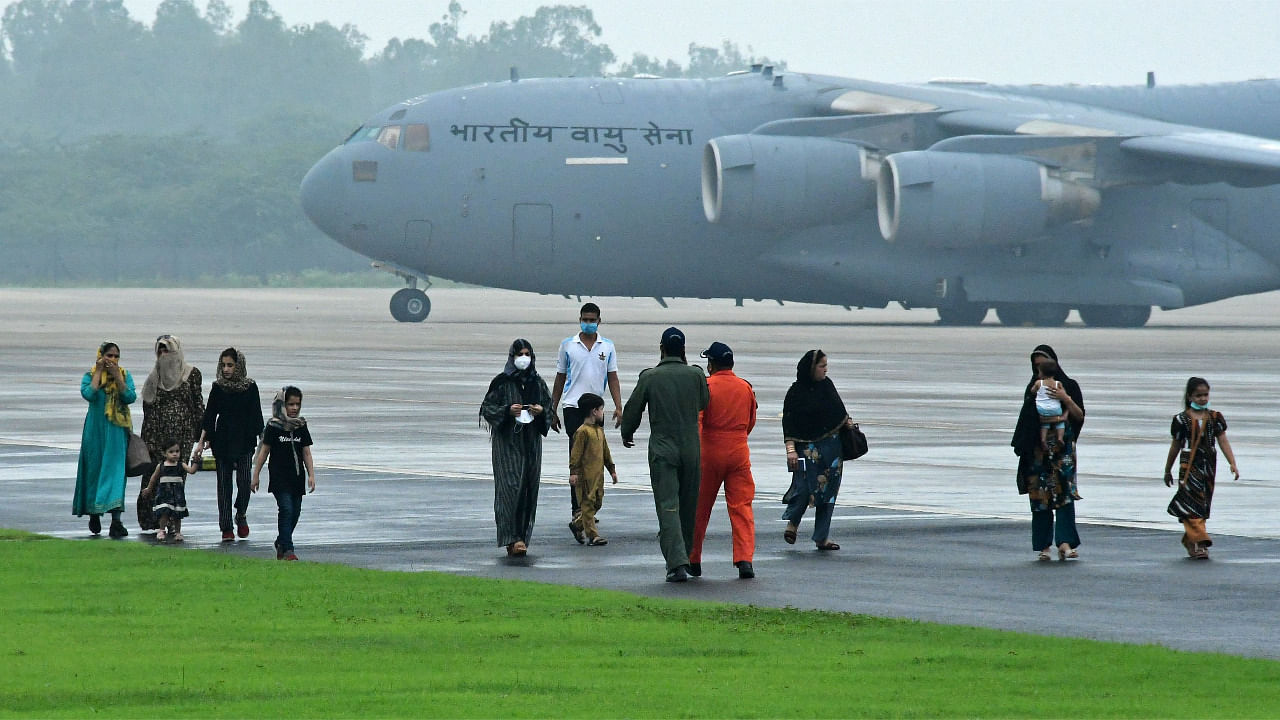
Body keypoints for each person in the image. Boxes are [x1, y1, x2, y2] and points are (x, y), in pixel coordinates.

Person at [621, 327, 709, 582]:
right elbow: (704, 402)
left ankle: (676, 562)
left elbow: (633, 409)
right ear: (683, 350)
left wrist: (628, 432)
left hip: (663, 448)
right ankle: (688, 556)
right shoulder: (696, 375)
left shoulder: (650, 377)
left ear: (661, 348)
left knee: (668, 506)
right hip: (692, 449)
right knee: (689, 505)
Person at [549, 303, 623, 542]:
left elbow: (612, 377)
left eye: (592, 319)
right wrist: (553, 408)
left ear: (600, 320)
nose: (588, 322)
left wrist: (619, 406)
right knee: (578, 460)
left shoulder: (607, 346)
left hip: (595, 409)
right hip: (573, 408)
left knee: (596, 458)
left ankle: (588, 508)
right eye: (584, 318)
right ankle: (578, 509)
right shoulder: (568, 345)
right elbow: (560, 377)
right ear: (579, 319)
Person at [689, 342, 758, 579]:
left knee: (699, 507)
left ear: (712, 364)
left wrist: (696, 450)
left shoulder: (706, 386)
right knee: (741, 508)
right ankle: (744, 559)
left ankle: (693, 559)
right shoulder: (745, 388)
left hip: (709, 450)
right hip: (739, 451)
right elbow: (750, 421)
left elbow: (698, 420)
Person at [1011, 345, 1085, 562]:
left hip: (1062, 451)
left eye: (1042, 365)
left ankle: (1065, 542)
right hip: (1038, 451)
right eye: (1035, 366)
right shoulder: (1033, 387)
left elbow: (1079, 416)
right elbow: (1027, 417)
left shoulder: (1069, 385)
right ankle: (1044, 546)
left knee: (1065, 494)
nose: (1038, 369)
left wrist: (1065, 398)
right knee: (1040, 497)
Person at [480, 339, 552, 557]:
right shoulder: (501, 382)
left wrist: (541, 411)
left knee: (529, 487)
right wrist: (506, 411)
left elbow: (549, 409)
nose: (524, 358)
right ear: (512, 357)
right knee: (510, 487)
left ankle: (522, 536)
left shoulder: (537, 383)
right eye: (519, 354)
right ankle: (510, 537)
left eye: (527, 354)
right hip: (508, 443)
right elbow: (487, 408)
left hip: (531, 442)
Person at [781, 349, 854, 552]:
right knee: (802, 487)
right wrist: (791, 450)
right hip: (805, 450)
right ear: (811, 368)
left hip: (831, 451)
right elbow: (789, 423)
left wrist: (848, 424)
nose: (825, 370)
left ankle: (821, 537)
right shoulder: (795, 392)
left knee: (828, 494)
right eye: (822, 366)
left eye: (826, 366)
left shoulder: (827, 386)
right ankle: (792, 524)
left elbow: (839, 411)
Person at [1163, 377, 1239, 559]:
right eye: (1198, 395)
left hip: (1208, 466)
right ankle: (1201, 542)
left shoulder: (1215, 418)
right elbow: (1175, 445)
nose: (1203, 399)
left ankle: (1192, 540)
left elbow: (1223, 441)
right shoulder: (1181, 419)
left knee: (1202, 504)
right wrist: (1168, 469)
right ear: (1190, 397)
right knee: (1191, 504)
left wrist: (1232, 463)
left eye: (1205, 395)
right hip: (1189, 466)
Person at [138, 334, 204, 534]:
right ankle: (154, 522)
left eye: (167, 350)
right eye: (160, 350)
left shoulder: (191, 374)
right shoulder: (153, 378)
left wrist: (202, 436)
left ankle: (174, 523)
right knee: (154, 476)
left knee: (175, 479)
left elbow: (198, 404)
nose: (163, 354)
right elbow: (147, 408)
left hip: (182, 436)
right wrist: (147, 440)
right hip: (157, 435)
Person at [197, 348, 263, 542]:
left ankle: (241, 513)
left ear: (239, 366)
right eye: (223, 365)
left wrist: (263, 441)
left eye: (230, 365)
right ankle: (226, 527)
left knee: (244, 483)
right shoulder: (218, 387)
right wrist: (202, 441)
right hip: (223, 439)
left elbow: (257, 415)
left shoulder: (250, 387)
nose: (226, 369)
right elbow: (209, 416)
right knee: (224, 486)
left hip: (244, 439)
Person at [73, 341, 137, 538]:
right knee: (94, 470)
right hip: (95, 431)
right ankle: (94, 512)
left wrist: (118, 378)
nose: (113, 360)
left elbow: (130, 397)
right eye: (109, 355)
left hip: (117, 430)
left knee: (116, 472)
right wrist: (99, 373)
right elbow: (88, 394)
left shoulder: (124, 375)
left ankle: (116, 520)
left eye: (116, 356)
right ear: (100, 356)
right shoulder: (90, 375)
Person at [251, 386, 315, 561]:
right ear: (282, 405)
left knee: (295, 512)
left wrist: (311, 474)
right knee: (286, 509)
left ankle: (281, 541)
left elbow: (306, 452)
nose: (294, 408)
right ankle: (288, 549)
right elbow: (264, 452)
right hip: (279, 476)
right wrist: (255, 475)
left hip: (297, 476)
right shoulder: (274, 426)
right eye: (290, 404)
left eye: (297, 405)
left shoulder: (301, 426)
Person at [569, 392, 617, 546]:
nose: (603, 413)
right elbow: (575, 454)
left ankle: (577, 524)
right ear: (594, 411)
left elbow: (606, 452)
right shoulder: (582, 431)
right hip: (585, 478)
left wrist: (612, 469)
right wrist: (574, 472)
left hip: (598, 477)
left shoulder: (599, 431)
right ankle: (593, 536)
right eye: (601, 409)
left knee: (597, 504)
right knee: (588, 505)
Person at [145, 438, 198, 542]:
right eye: (171, 452)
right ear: (165, 453)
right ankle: (161, 530)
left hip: (177, 494)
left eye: (177, 451)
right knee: (164, 512)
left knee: (177, 515)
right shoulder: (161, 466)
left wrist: (196, 461)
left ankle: (177, 532)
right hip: (164, 494)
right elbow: (153, 478)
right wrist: (148, 489)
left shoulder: (181, 465)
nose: (175, 454)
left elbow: (191, 471)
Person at [1032, 369, 1066, 456]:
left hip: (1041, 409)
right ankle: (1060, 438)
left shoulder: (1039, 383)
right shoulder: (1058, 383)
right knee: (1060, 423)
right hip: (1055, 409)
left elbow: (1032, 391)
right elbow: (1063, 393)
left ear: (1041, 373)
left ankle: (1043, 439)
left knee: (1044, 425)